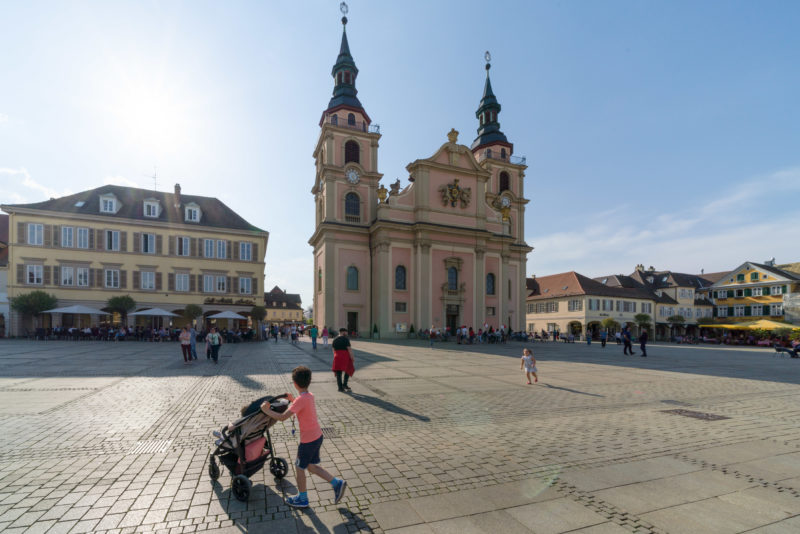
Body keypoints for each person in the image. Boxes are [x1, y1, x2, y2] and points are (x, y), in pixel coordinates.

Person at [261, 366, 347, 509]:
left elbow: (282, 417)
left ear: (295, 383)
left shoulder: (301, 400)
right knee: (311, 467)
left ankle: (303, 499)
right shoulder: (309, 396)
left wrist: (266, 410)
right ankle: (337, 483)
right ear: (309, 381)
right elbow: (300, 405)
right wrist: (292, 399)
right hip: (317, 436)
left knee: (299, 467)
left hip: (308, 441)